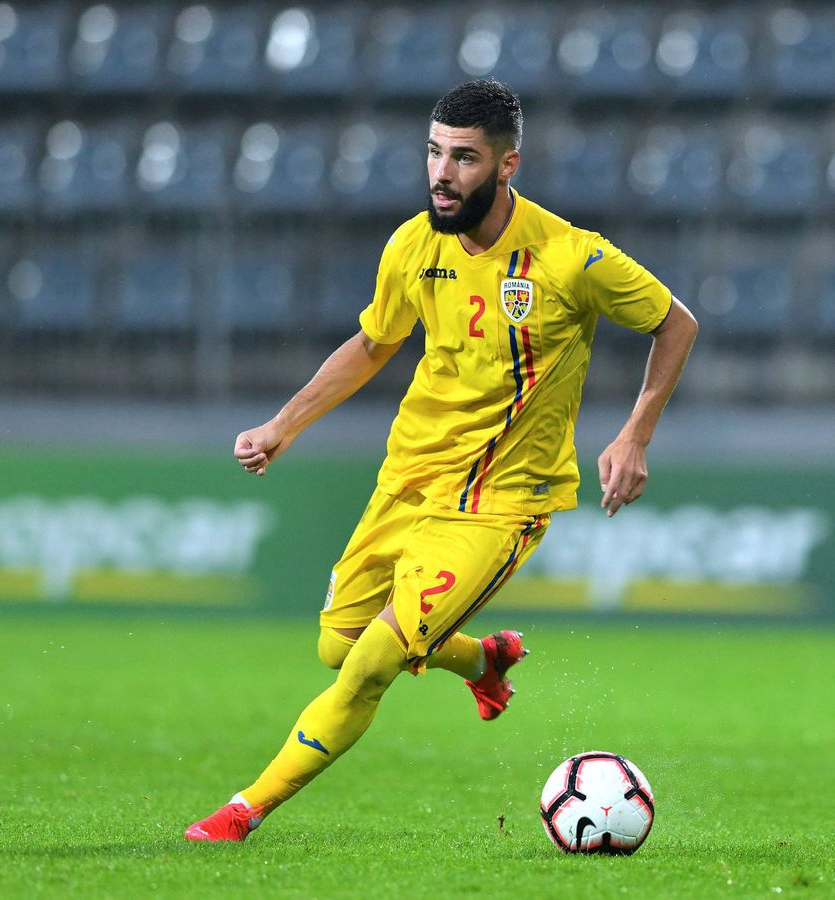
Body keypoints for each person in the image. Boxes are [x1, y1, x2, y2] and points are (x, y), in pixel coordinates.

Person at [185, 80, 698, 842]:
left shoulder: (570, 257)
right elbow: (372, 344)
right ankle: (481, 662)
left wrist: (635, 434)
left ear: (507, 165)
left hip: (500, 504)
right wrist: (285, 424)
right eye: (433, 152)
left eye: (463, 158)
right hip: (410, 481)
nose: (441, 173)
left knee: (371, 668)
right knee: (337, 646)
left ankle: (243, 809)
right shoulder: (412, 245)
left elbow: (675, 323)